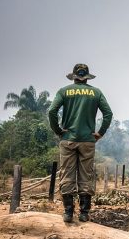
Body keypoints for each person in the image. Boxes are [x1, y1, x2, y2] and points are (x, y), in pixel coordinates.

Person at [48, 64, 113, 222]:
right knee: (86, 174)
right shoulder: (96, 92)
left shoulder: (64, 91)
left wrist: (58, 130)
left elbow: (51, 111)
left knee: (67, 174)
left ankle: (68, 213)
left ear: (74, 76)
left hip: (68, 140)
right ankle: (84, 213)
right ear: (87, 77)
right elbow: (108, 113)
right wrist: (100, 133)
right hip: (87, 141)